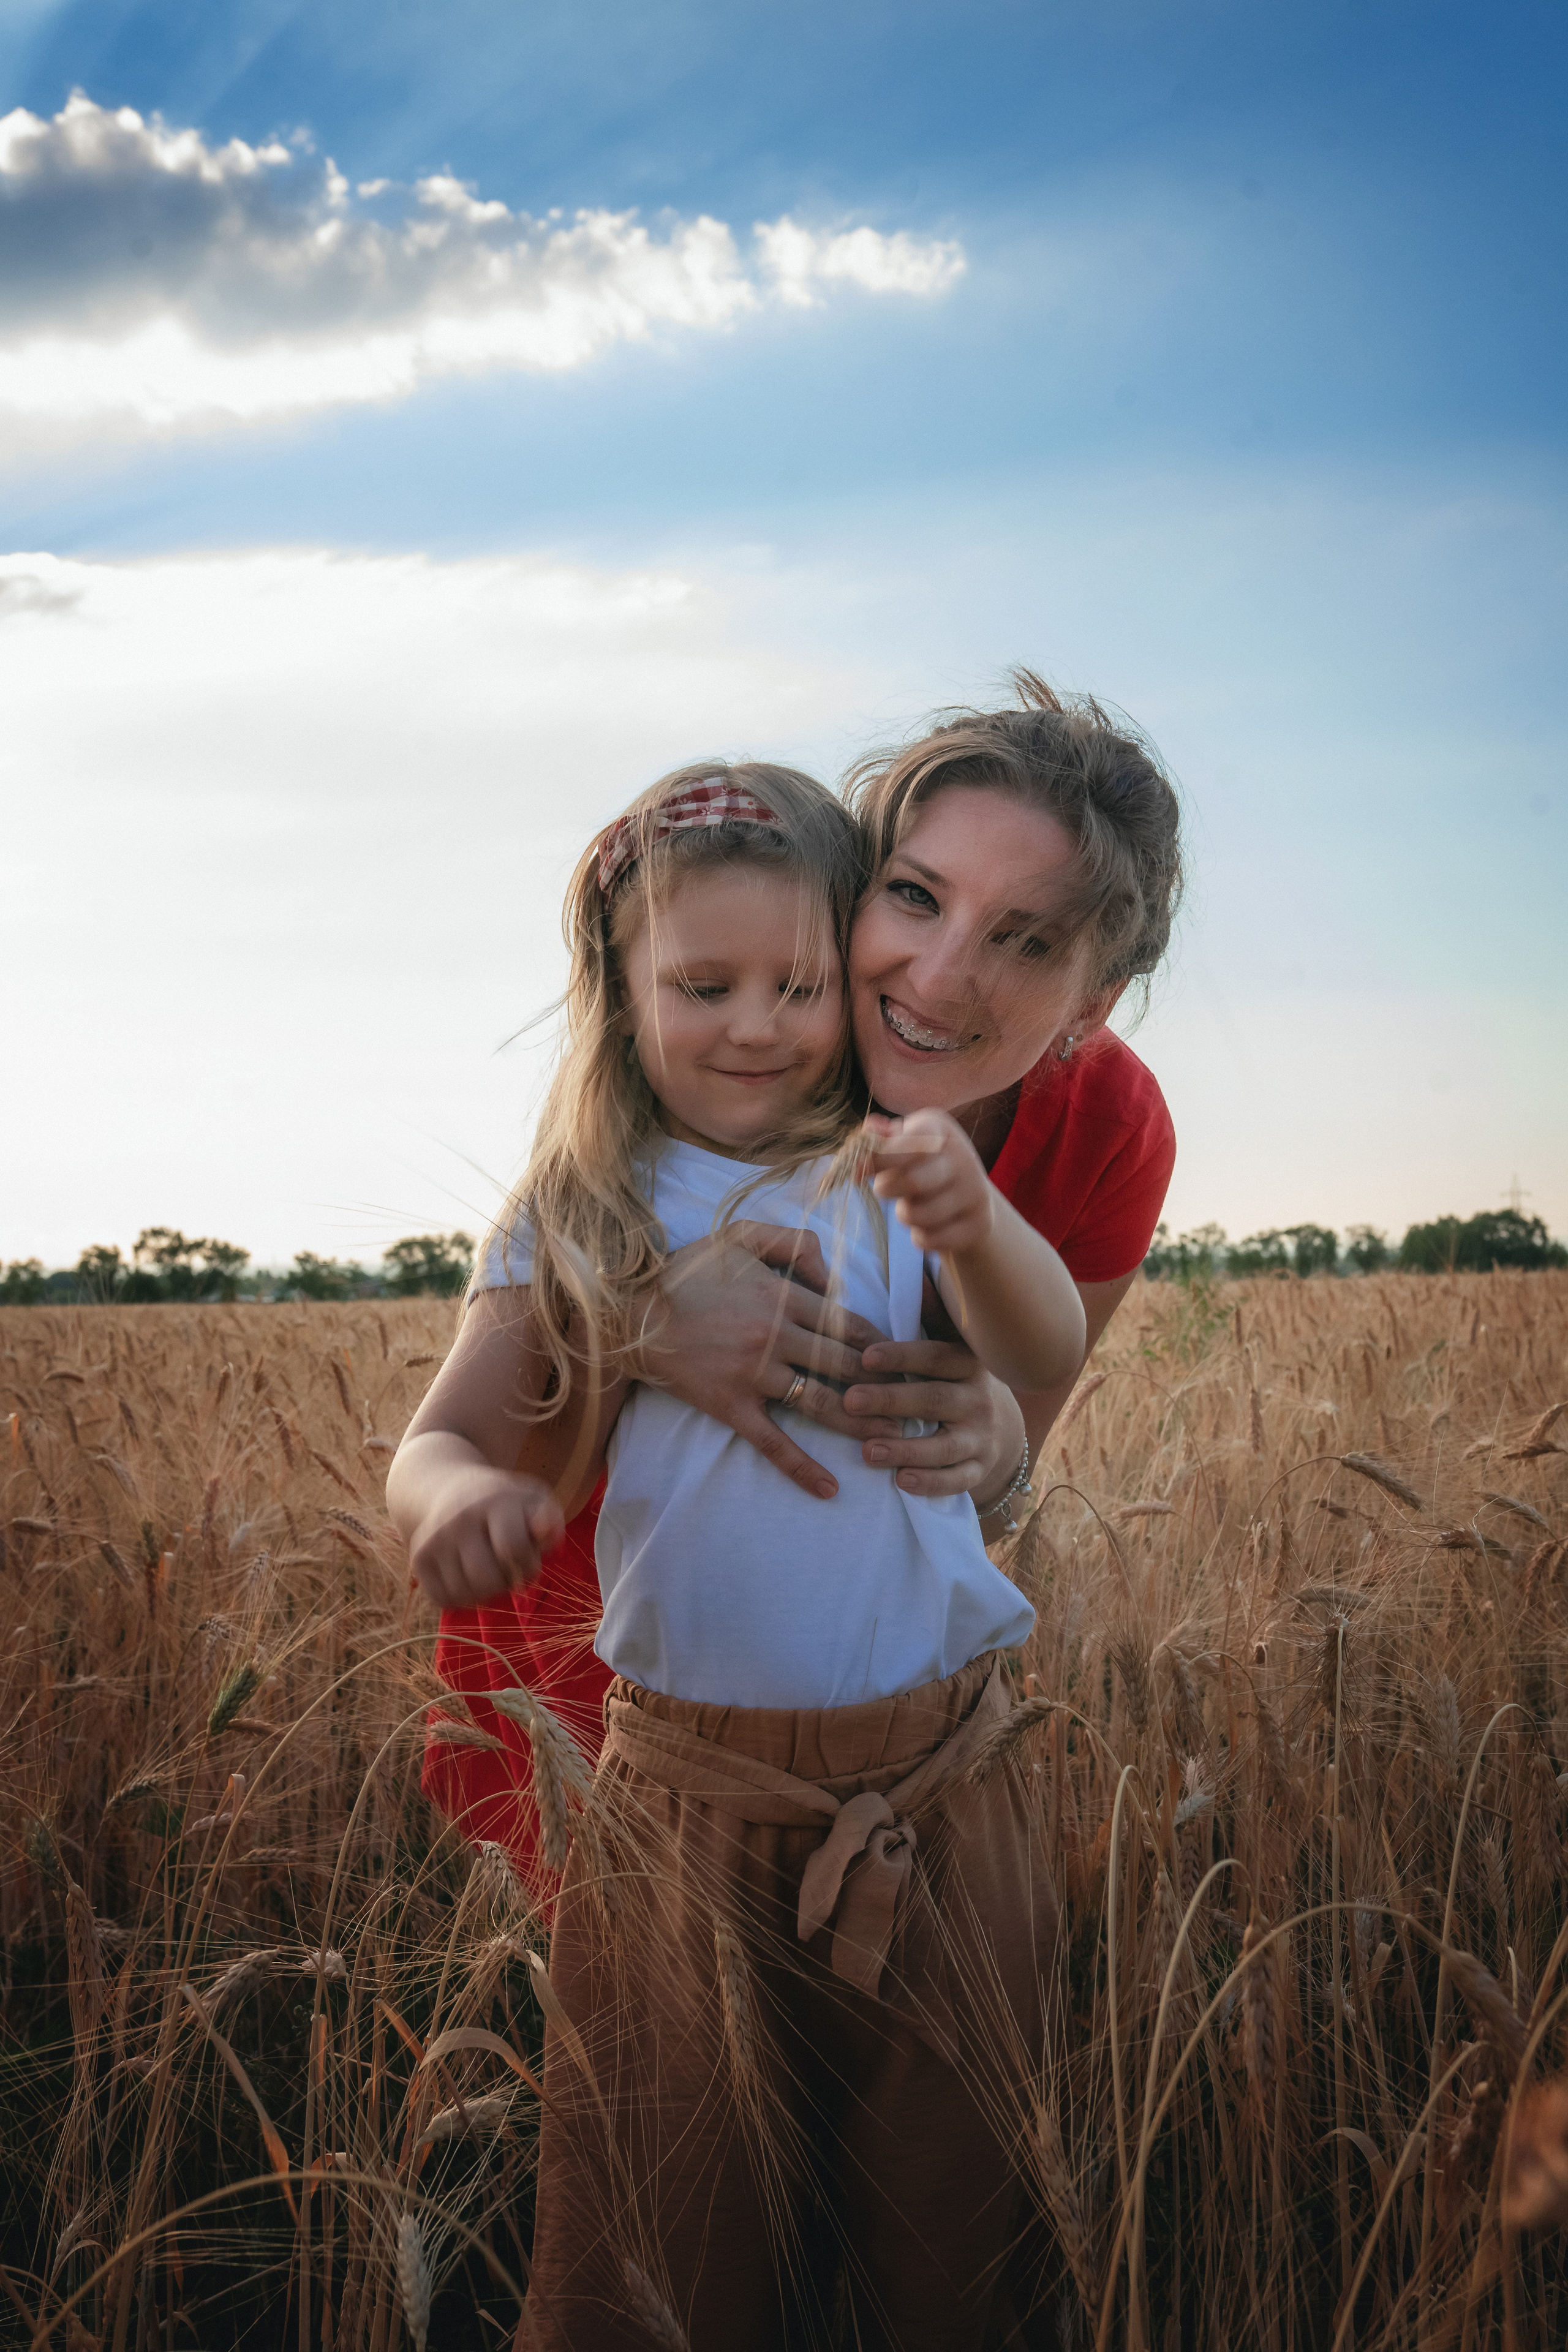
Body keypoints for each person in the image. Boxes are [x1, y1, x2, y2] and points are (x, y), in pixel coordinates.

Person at [388, 759, 1088, 2346]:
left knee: (959, 2249)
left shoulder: (894, 1162)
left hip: (937, 1795)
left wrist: (975, 1220)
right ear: (621, 993)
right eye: (706, 985)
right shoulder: (582, 1215)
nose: (761, 1025)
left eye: (797, 983)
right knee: (655, 2253)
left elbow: (1039, 1338)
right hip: (681, 1818)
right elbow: (436, 1443)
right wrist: (457, 1511)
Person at [423, 674, 1183, 1894]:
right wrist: (637, 1325)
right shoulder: (711, 1097)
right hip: (606, 1675)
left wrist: (991, 1444)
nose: (936, 977)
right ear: (850, 889)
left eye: (1023, 938)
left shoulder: (1099, 1132)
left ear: (1092, 1001)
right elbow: (487, 1437)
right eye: (913, 896)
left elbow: (1001, 1478)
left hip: (864, 1711)